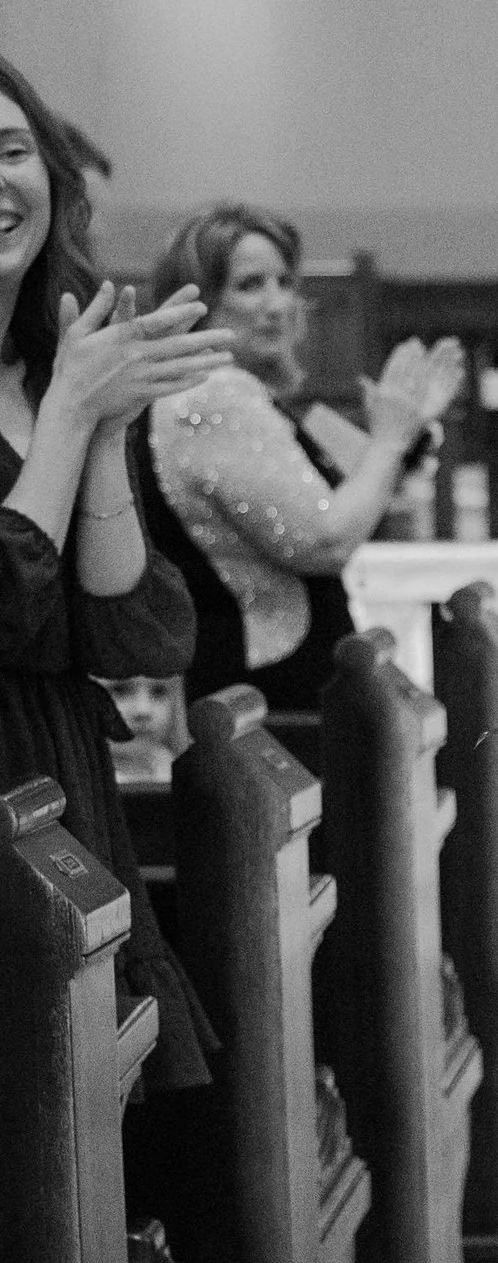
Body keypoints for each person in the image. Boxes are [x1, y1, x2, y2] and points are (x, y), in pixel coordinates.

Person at [0, 53, 228, 1094]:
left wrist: (99, 432)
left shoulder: (56, 366)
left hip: (63, 792)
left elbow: (133, 635)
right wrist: (67, 418)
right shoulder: (59, 393)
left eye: (12, 152)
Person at [139, 203, 462, 712]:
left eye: (284, 281)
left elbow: (365, 494)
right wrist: (391, 440)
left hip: (263, 687)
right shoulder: (215, 398)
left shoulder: (238, 395)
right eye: (249, 285)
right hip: (270, 696)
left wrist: (405, 432)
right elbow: (325, 539)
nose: (278, 303)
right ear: (197, 300)